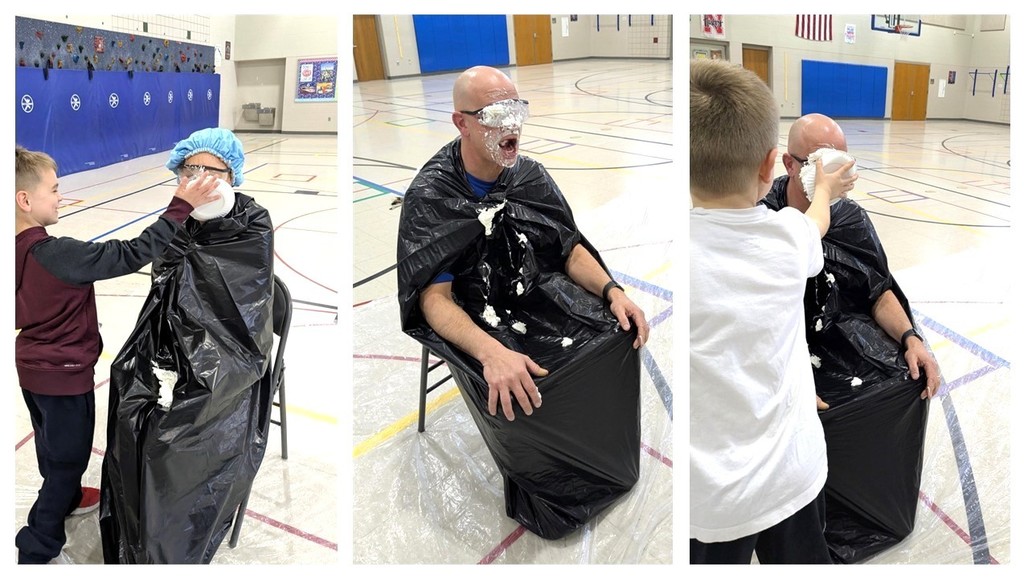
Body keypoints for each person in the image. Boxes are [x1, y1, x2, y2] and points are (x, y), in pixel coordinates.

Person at [397, 65, 650, 421]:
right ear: (462, 123)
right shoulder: (433, 195)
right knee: (517, 387)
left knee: (616, 333)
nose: (511, 126)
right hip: (472, 309)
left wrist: (614, 292)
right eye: (495, 115)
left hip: (527, 289)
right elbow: (434, 299)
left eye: (517, 111)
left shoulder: (529, 177)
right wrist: (490, 353)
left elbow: (569, 248)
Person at [14, 146, 219, 564]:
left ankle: (70, 497)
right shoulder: (55, 254)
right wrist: (180, 207)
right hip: (65, 375)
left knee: (51, 445)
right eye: (54, 189)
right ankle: (37, 544)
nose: (60, 197)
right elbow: (131, 253)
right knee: (68, 458)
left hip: (32, 370)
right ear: (25, 200)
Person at [689, 59, 856, 564]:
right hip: (792, 475)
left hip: (711, 500)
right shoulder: (787, 236)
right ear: (771, 166)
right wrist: (824, 189)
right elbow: (817, 220)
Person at [761, 113, 941, 404]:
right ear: (790, 164)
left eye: (840, 163)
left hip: (835, 334)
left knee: (908, 379)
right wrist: (783, 378)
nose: (832, 177)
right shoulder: (764, 215)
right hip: (779, 347)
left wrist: (911, 337)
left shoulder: (850, 218)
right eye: (819, 164)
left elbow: (877, 289)